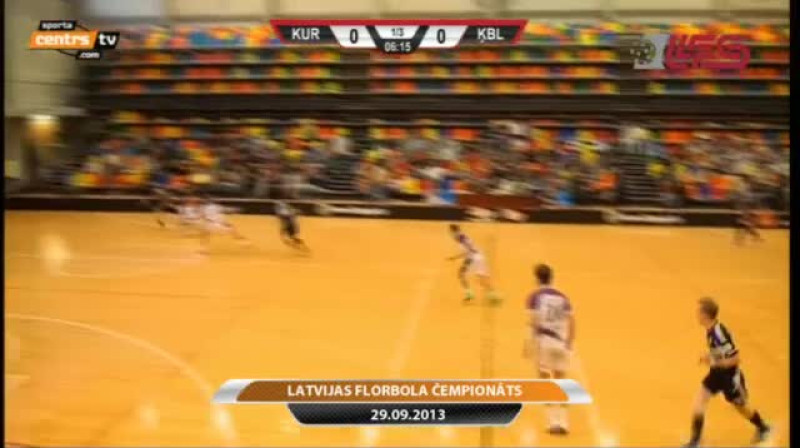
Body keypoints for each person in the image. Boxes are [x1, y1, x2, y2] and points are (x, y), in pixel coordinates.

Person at [684, 298, 771, 447]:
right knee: (699, 400)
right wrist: (709, 357)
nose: (696, 314)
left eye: (699, 311)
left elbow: (736, 359)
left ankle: (763, 427)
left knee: (741, 407)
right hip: (717, 374)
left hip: (729, 378)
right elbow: (720, 353)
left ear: (705, 315)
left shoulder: (719, 334)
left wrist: (713, 362)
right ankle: (695, 441)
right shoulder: (710, 330)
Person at [524, 264, 574, 435]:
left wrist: (529, 344)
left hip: (544, 343)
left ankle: (553, 422)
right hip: (561, 343)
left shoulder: (534, 297)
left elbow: (533, 322)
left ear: (537, 279)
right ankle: (564, 423)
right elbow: (572, 321)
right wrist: (569, 343)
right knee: (561, 383)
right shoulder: (563, 297)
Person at [446, 224, 499, 304]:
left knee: (479, 279)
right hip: (474, 257)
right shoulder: (461, 237)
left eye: (451, 232)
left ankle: (491, 295)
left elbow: (467, 252)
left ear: (455, 231)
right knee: (463, 275)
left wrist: (454, 258)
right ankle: (473, 294)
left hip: (475, 258)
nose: (451, 234)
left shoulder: (461, 239)